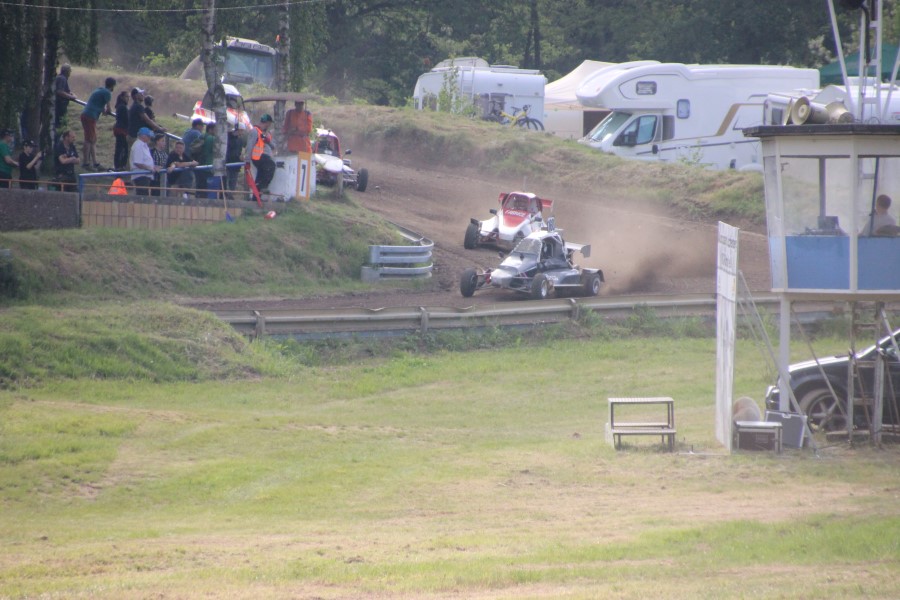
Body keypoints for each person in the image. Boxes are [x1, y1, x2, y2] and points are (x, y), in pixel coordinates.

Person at [80, 76, 116, 171]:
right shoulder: (107, 93)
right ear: (113, 86)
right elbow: (109, 109)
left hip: (87, 115)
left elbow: (99, 103)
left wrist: (102, 110)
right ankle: (86, 163)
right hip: (90, 116)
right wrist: (107, 112)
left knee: (93, 139)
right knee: (88, 140)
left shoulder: (100, 89)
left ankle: (95, 163)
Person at [246, 114, 276, 193]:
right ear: (267, 122)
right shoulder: (255, 131)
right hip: (258, 156)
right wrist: (247, 161)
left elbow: (270, 143)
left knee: (260, 176)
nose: (269, 125)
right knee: (271, 165)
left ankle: (256, 196)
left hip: (260, 156)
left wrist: (269, 142)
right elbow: (249, 146)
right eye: (269, 123)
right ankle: (263, 186)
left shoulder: (262, 133)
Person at [129, 127, 157, 196]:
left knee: (144, 194)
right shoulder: (138, 146)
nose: (150, 138)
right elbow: (138, 162)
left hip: (144, 175)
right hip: (140, 175)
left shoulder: (143, 145)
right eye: (148, 136)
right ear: (143, 136)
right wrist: (149, 168)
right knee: (142, 194)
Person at [112, 91, 130, 170]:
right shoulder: (123, 107)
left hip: (119, 129)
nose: (128, 98)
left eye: (128, 97)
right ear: (122, 97)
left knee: (120, 148)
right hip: (121, 130)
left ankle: (118, 165)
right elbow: (127, 119)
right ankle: (119, 166)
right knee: (122, 149)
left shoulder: (120, 106)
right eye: (126, 96)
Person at [225, 127, 243, 192]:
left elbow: (239, 151)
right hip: (228, 163)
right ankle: (226, 193)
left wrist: (240, 158)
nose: (242, 133)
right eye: (241, 130)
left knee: (233, 181)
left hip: (236, 165)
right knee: (227, 180)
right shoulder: (228, 138)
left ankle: (231, 193)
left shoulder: (240, 140)